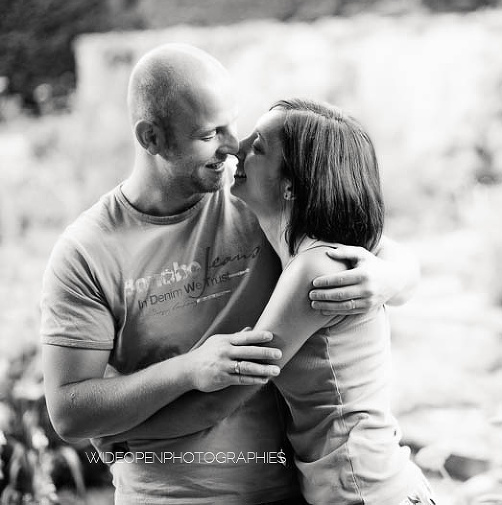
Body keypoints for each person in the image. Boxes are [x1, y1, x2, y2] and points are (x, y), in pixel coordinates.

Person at [40, 44, 420, 505]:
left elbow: (367, 248)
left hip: (305, 492)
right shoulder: (87, 251)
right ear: (151, 137)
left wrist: (390, 279)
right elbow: (69, 412)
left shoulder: (258, 203)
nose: (233, 146)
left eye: (233, 124)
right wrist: (186, 370)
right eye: (209, 133)